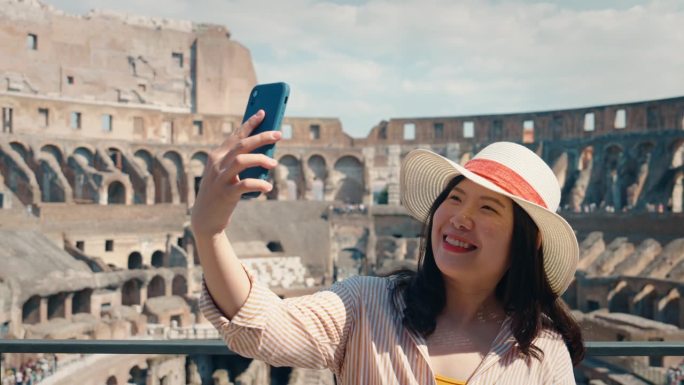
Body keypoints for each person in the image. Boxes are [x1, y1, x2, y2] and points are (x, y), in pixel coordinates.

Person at [193, 110, 585, 385]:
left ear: (526, 241)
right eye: (454, 198)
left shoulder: (544, 353)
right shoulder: (365, 305)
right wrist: (209, 232)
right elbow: (262, 325)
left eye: (487, 208)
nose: (460, 218)